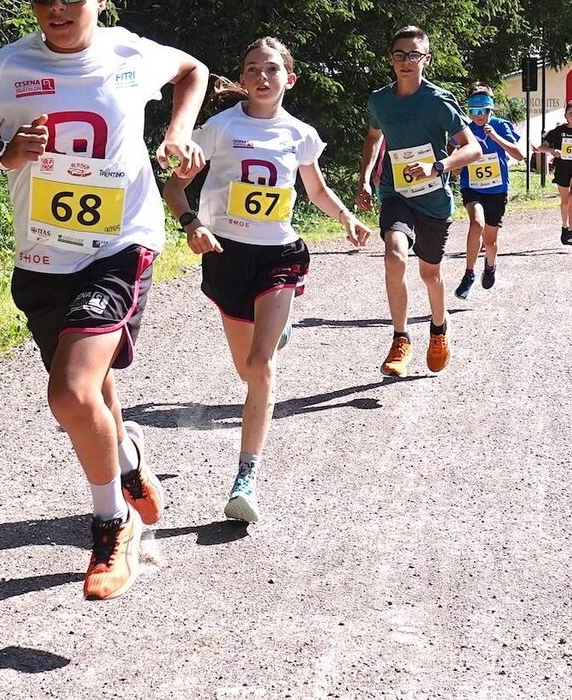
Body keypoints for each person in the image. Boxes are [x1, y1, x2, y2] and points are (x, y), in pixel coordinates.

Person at [0, 0, 209, 600]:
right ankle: (126, 463)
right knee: (88, 391)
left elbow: (194, 70)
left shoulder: (129, 53)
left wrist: (180, 131)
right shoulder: (9, 66)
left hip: (121, 243)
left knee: (68, 391)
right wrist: (4, 155)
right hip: (42, 257)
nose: (55, 7)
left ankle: (111, 525)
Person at [163, 39, 370, 524]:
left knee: (260, 365)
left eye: (272, 69)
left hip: (279, 254)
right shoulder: (219, 127)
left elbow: (314, 188)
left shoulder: (300, 133)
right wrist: (192, 224)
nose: (261, 77)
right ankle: (275, 330)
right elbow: (174, 184)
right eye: (252, 68)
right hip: (225, 257)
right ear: (243, 77)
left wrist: (345, 220)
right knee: (248, 368)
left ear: (288, 79)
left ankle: (246, 478)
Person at [355, 26, 482, 377]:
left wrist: (439, 165)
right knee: (394, 255)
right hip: (395, 193)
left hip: (433, 200)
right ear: (391, 60)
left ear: (426, 60)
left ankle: (439, 329)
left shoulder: (438, 101)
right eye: (400, 55)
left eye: (414, 55)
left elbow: (473, 147)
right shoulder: (379, 100)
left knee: (430, 273)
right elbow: (373, 136)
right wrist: (365, 177)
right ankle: (400, 338)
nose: (406, 61)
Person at [452, 86, 524, 300]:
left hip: (496, 189)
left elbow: (519, 155)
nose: (479, 116)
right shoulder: (464, 128)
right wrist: (454, 166)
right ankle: (469, 274)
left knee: (490, 242)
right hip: (472, 186)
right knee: (477, 223)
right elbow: (453, 148)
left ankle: (490, 266)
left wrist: (496, 138)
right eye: (474, 111)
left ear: (491, 109)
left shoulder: (501, 126)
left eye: (483, 110)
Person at [535, 101, 572, 245]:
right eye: (570, 113)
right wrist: (552, 151)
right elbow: (541, 147)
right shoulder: (559, 131)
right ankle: (564, 226)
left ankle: (571, 232)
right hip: (562, 169)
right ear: (566, 116)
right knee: (565, 201)